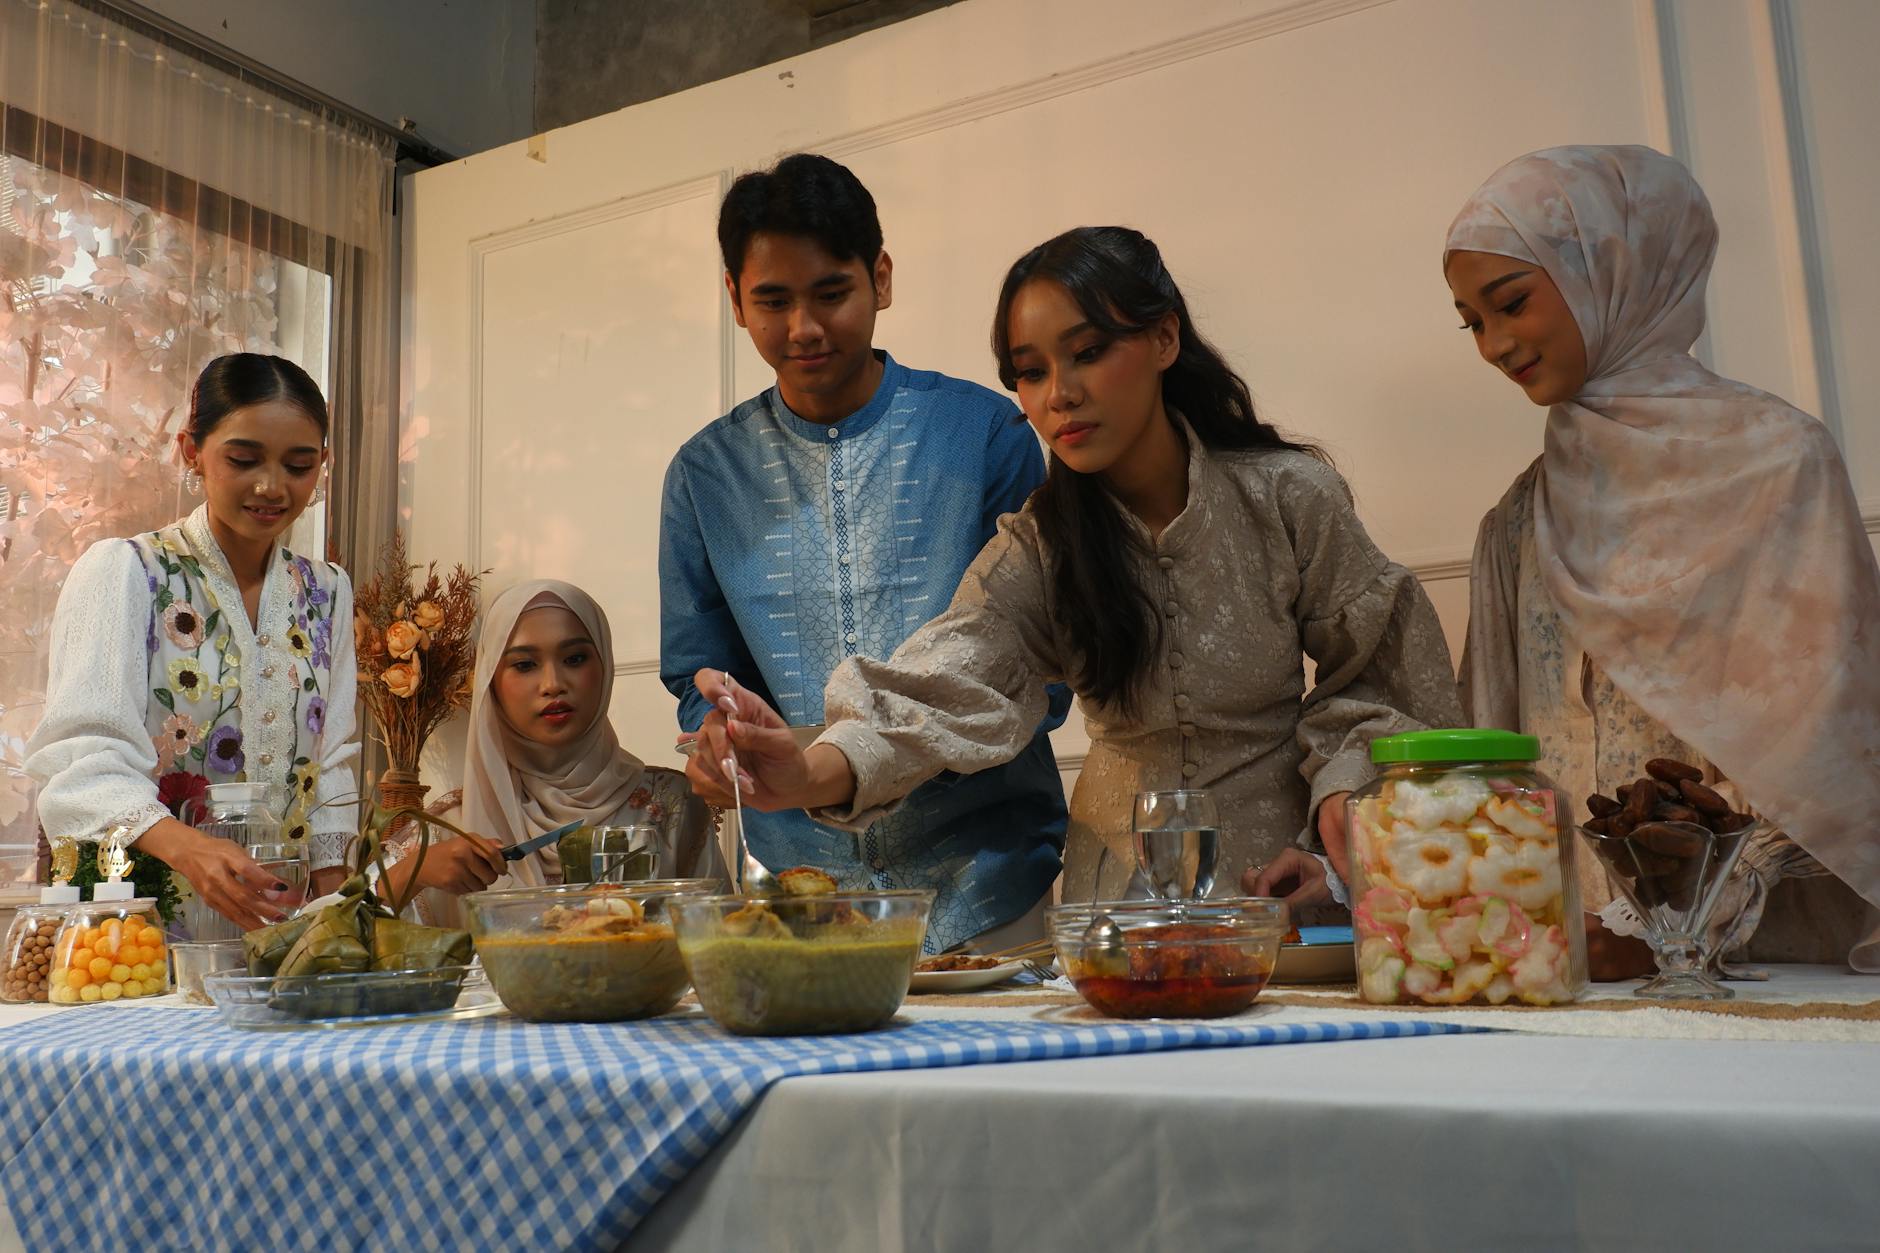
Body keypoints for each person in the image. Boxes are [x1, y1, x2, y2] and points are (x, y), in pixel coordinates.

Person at [684, 226, 1463, 911]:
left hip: (1284, 885)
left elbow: (1384, 670)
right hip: (1113, 910)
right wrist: (804, 771)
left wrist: (1340, 806)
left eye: (1088, 352)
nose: (1060, 394)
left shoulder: (1288, 495)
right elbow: (943, 686)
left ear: (1164, 339)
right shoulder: (1039, 547)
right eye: (1029, 372)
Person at [1443, 144, 1880, 975]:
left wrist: (1666, 926)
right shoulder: (1517, 519)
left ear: (1611, 270)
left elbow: (1830, 746)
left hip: (1761, 961)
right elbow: (1489, 762)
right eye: (1472, 322)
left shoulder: (1778, 463)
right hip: (1571, 968)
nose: (1494, 344)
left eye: (1509, 303)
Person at [659, 153, 1069, 952]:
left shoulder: (987, 438)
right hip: (797, 898)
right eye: (773, 300)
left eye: (831, 293)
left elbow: (1035, 677)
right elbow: (699, 673)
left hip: (991, 885)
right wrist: (716, 736)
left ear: (880, 277)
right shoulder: (705, 475)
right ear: (735, 300)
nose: (804, 328)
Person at [25, 354, 381, 928]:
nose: (272, 487)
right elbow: (82, 763)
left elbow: (331, 759)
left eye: (299, 465)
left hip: (284, 924)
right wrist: (190, 851)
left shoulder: (327, 592)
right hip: (144, 921)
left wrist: (334, 911)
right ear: (191, 450)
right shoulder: (128, 572)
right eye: (243, 459)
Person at [404, 580, 718, 924]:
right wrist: (412, 873)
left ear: (605, 667)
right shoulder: (451, 828)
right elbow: (344, 933)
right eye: (524, 665)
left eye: (575, 658)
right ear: (491, 682)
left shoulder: (671, 807)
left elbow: (721, 945)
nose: (553, 683)